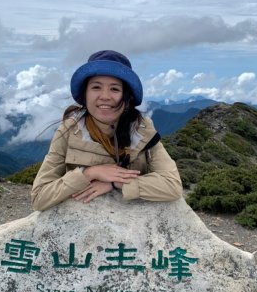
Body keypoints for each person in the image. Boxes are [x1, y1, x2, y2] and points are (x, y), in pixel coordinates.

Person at [31, 50, 183, 211]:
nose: (105, 96)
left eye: (115, 89)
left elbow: (172, 185)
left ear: (128, 97)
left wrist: (115, 182)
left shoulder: (142, 131)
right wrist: (89, 173)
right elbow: (40, 197)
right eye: (96, 87)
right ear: (85, 94)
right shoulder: (69, 131)